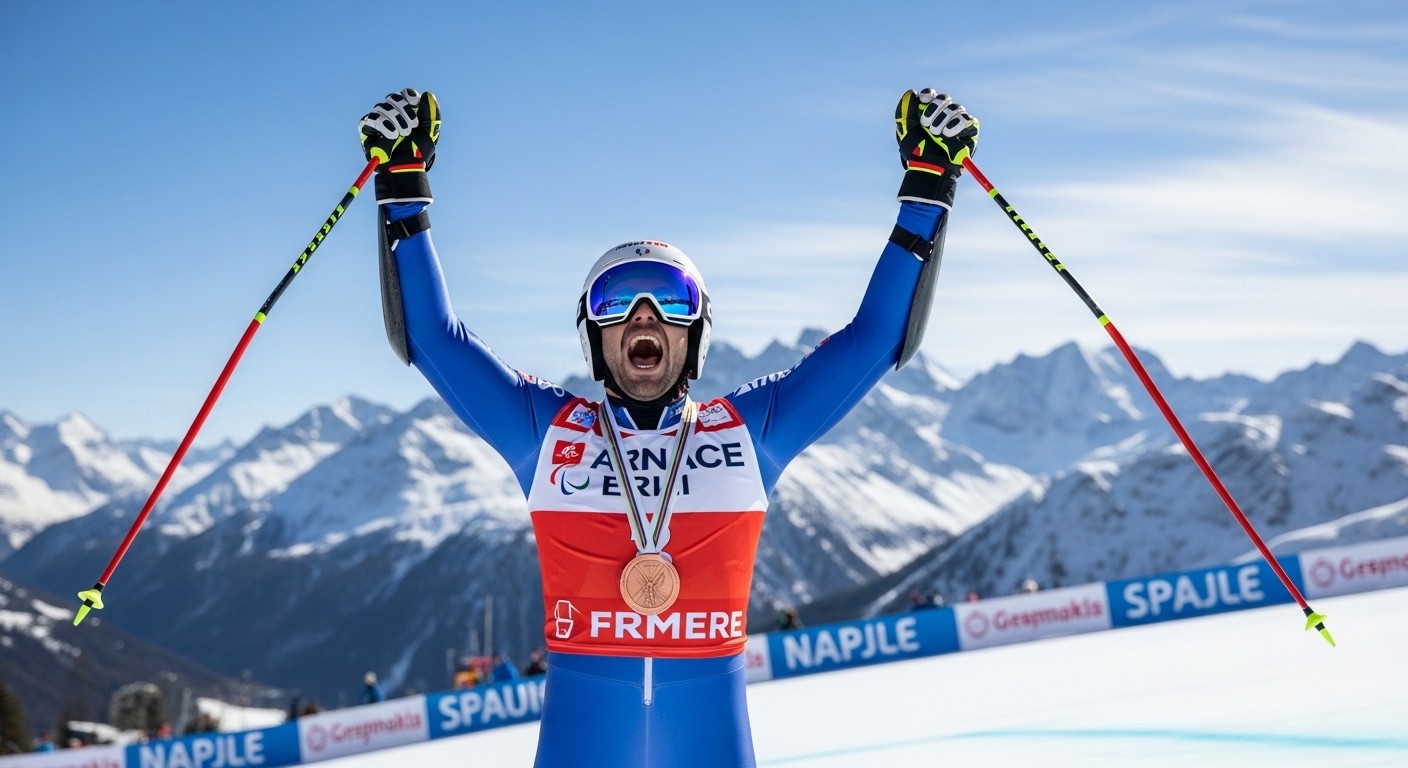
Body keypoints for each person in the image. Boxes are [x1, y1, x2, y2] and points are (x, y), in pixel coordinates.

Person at [358, 84, 977, 768]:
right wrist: (403, 182)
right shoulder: (545, 432)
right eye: (618, 300)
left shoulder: (749, 431)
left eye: (671, 301)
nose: (645, 315)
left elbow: (876, 339)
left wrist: (928, 182)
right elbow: (434, 340)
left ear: (697, 332)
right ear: (595, 335)